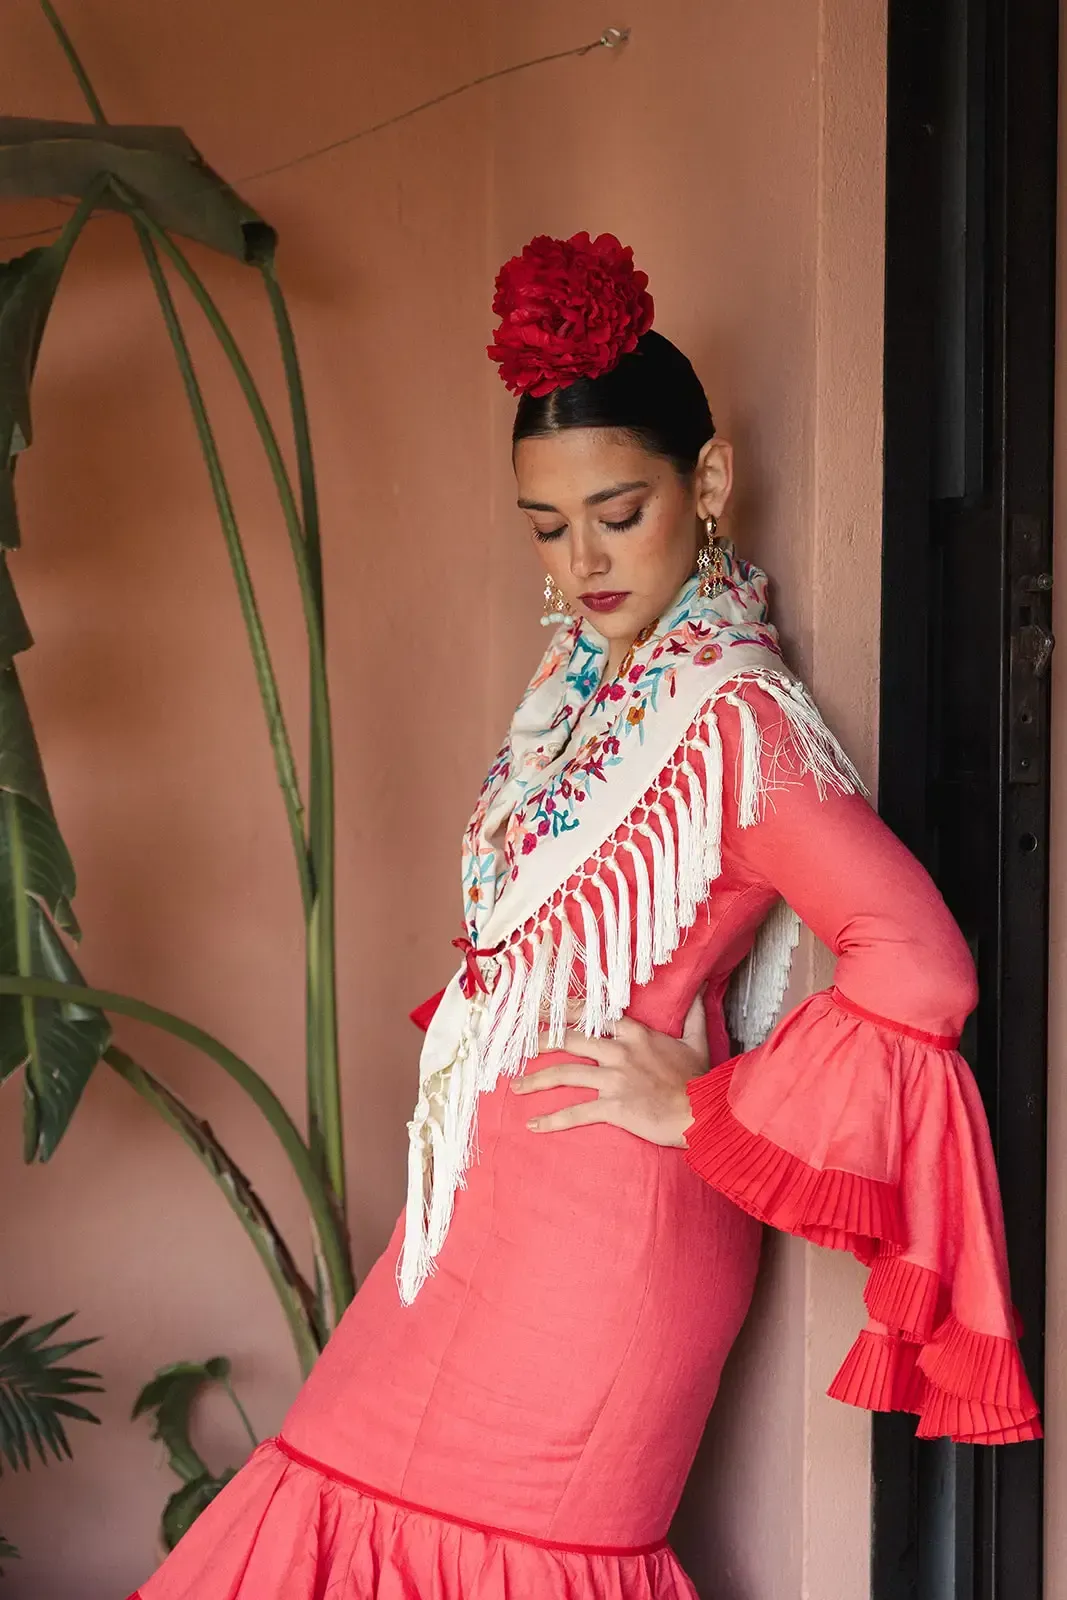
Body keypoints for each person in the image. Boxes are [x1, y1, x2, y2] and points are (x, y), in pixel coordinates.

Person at [127, 231, 1039, 1600]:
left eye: (619, 512)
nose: (583, 562)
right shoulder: (578, 694)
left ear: (707, 481)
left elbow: (919, 964)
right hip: (472, 1222)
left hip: (605, 1249)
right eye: (547, 528)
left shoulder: (732, 722)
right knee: (332, 1488)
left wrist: (699, 1112)